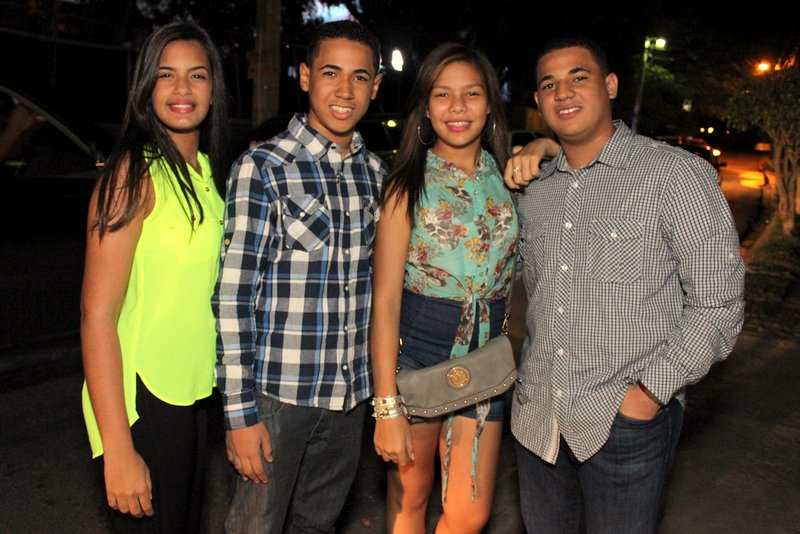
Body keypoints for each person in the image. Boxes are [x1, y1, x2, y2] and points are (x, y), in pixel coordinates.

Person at [509, 35, 746, 533]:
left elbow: (719, 303)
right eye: (549, 84)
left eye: (579, 77)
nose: (563, 92)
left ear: (611, 85)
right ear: (538, 101)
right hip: (538, 420)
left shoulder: (675, 175)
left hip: (625, 422)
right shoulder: (534, 191)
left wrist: (648, 394)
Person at [212, 20, 384, 532]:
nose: (345, 90)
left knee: (318, 527)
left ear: (375, 86)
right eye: (331, 73)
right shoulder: (263, 167)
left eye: (359, 77)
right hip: (276, 398)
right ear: (306, 77)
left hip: (349, 399)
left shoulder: (376, 174)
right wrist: (239, 413)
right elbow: (233, 296)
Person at [370, 42, 540, 534]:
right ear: (426, 106)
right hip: (418, 355)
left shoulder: (509, 176)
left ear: (490, 104)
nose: (458, 107)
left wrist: (544, 146)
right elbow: (385, 302)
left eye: (472, 93)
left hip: (486, 358)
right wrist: (386, 406)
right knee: (411, 499)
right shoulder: (406, 184)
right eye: (442, 94)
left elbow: (566, 158)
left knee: (469, 515)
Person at [80, 22, 230, 532]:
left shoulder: (206, 173)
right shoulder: (131, 174)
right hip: (141, 401)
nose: (182, 88)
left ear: (214, 88)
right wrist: (118, 448)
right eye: (166, 75)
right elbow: (97, 315)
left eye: (197, 75)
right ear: (146, 86)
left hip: (193, 395)